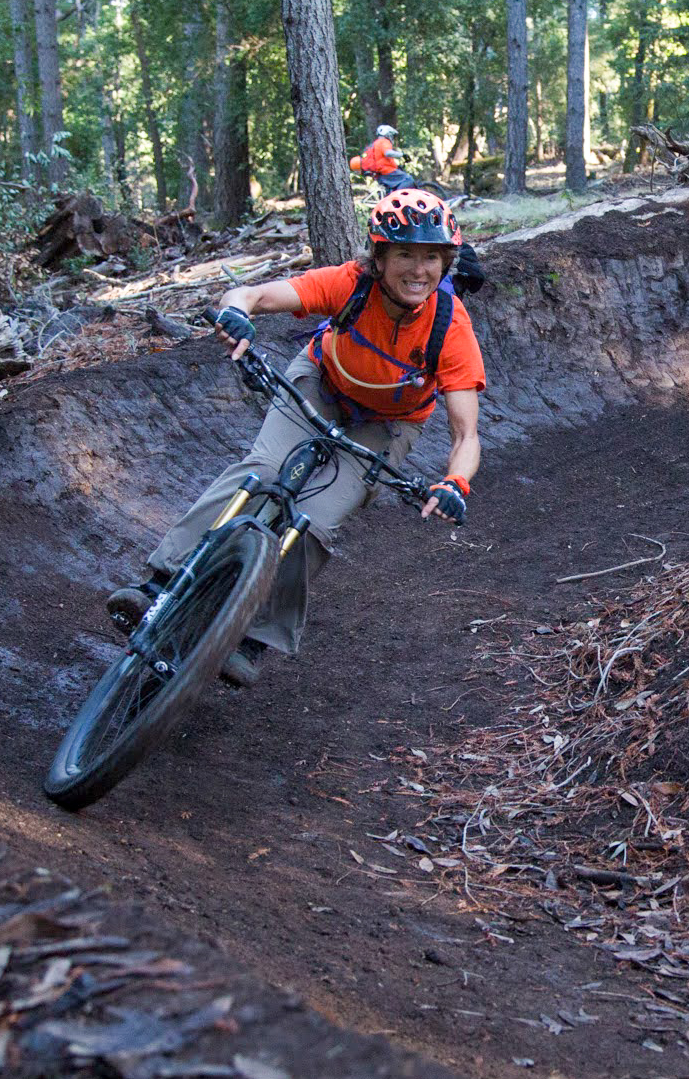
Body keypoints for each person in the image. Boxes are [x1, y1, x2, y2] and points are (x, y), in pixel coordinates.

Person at [107, 188, 484, 686]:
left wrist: (455, 482)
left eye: (431, 257)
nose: (419, 270)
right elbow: (255, 296)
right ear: (379, 257)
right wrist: (235, 312)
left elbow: (466, 433)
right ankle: (160, 580)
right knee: (262, 471)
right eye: (405, 254)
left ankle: (252, 635)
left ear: (446, 261)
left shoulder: (450, 326)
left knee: (314, 520)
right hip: (320, 383)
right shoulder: (350, 284)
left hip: (390, 424)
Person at [349, 123, 415, 194]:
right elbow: (388, 153)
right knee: (408, 180)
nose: (392, 138)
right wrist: (402, 155)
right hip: (386, 171)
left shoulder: (376, 143)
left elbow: (382, 159)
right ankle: (398, 198)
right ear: (388, 134)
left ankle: (393, 198)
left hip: (380, 173)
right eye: (392, 135)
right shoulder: (384, 141)